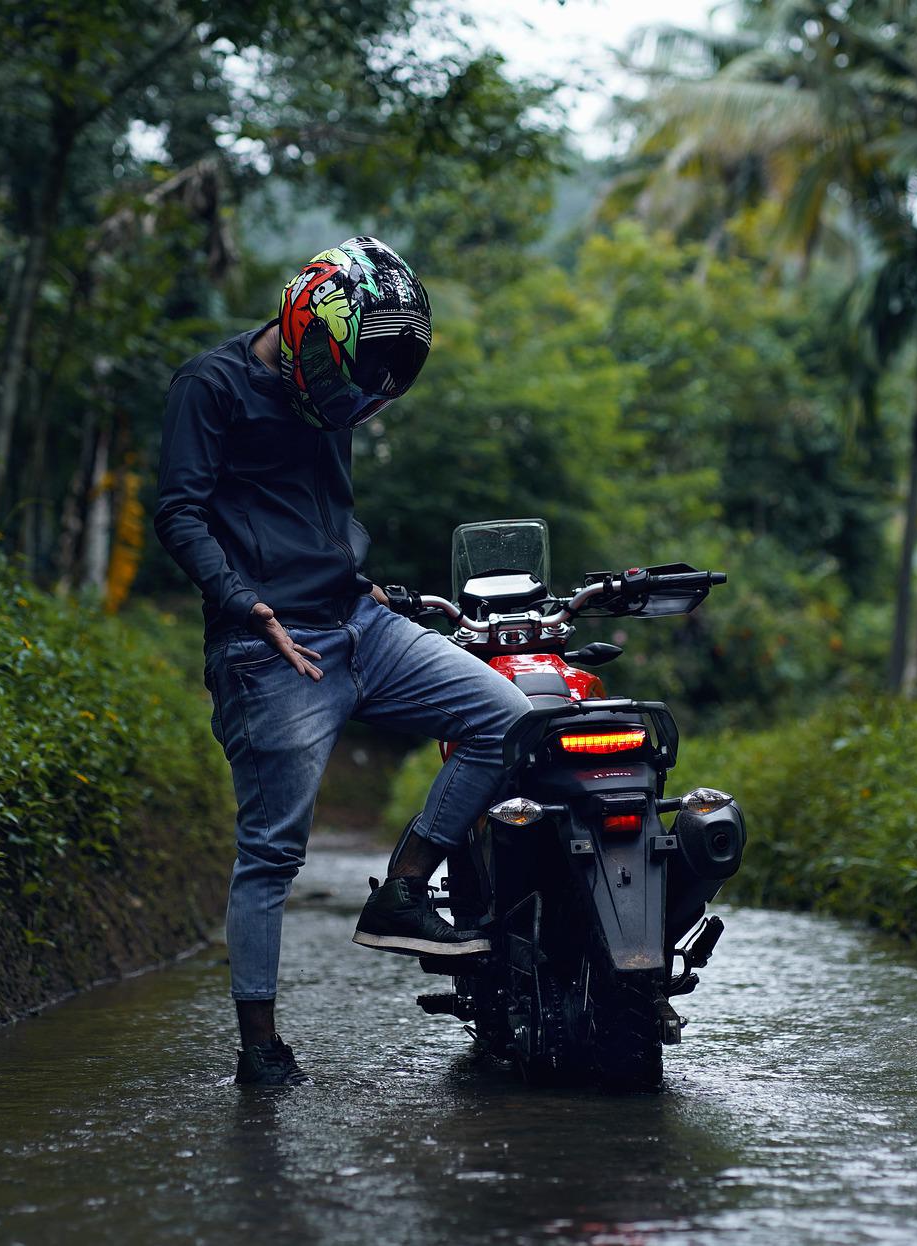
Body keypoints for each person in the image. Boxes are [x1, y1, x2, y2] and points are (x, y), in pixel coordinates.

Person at [152, 237, 533, 1087]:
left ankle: (404, 890)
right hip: (268, 644)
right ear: (304, 323)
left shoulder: (340, 390)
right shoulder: (210, 385)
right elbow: (179, 513)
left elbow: (314, 515)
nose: (344, 406)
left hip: (359, 619)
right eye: (339, 383)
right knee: (271, 852)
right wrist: (245, 603)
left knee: (507, 718)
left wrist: (367, 586)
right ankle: (260, 1048)